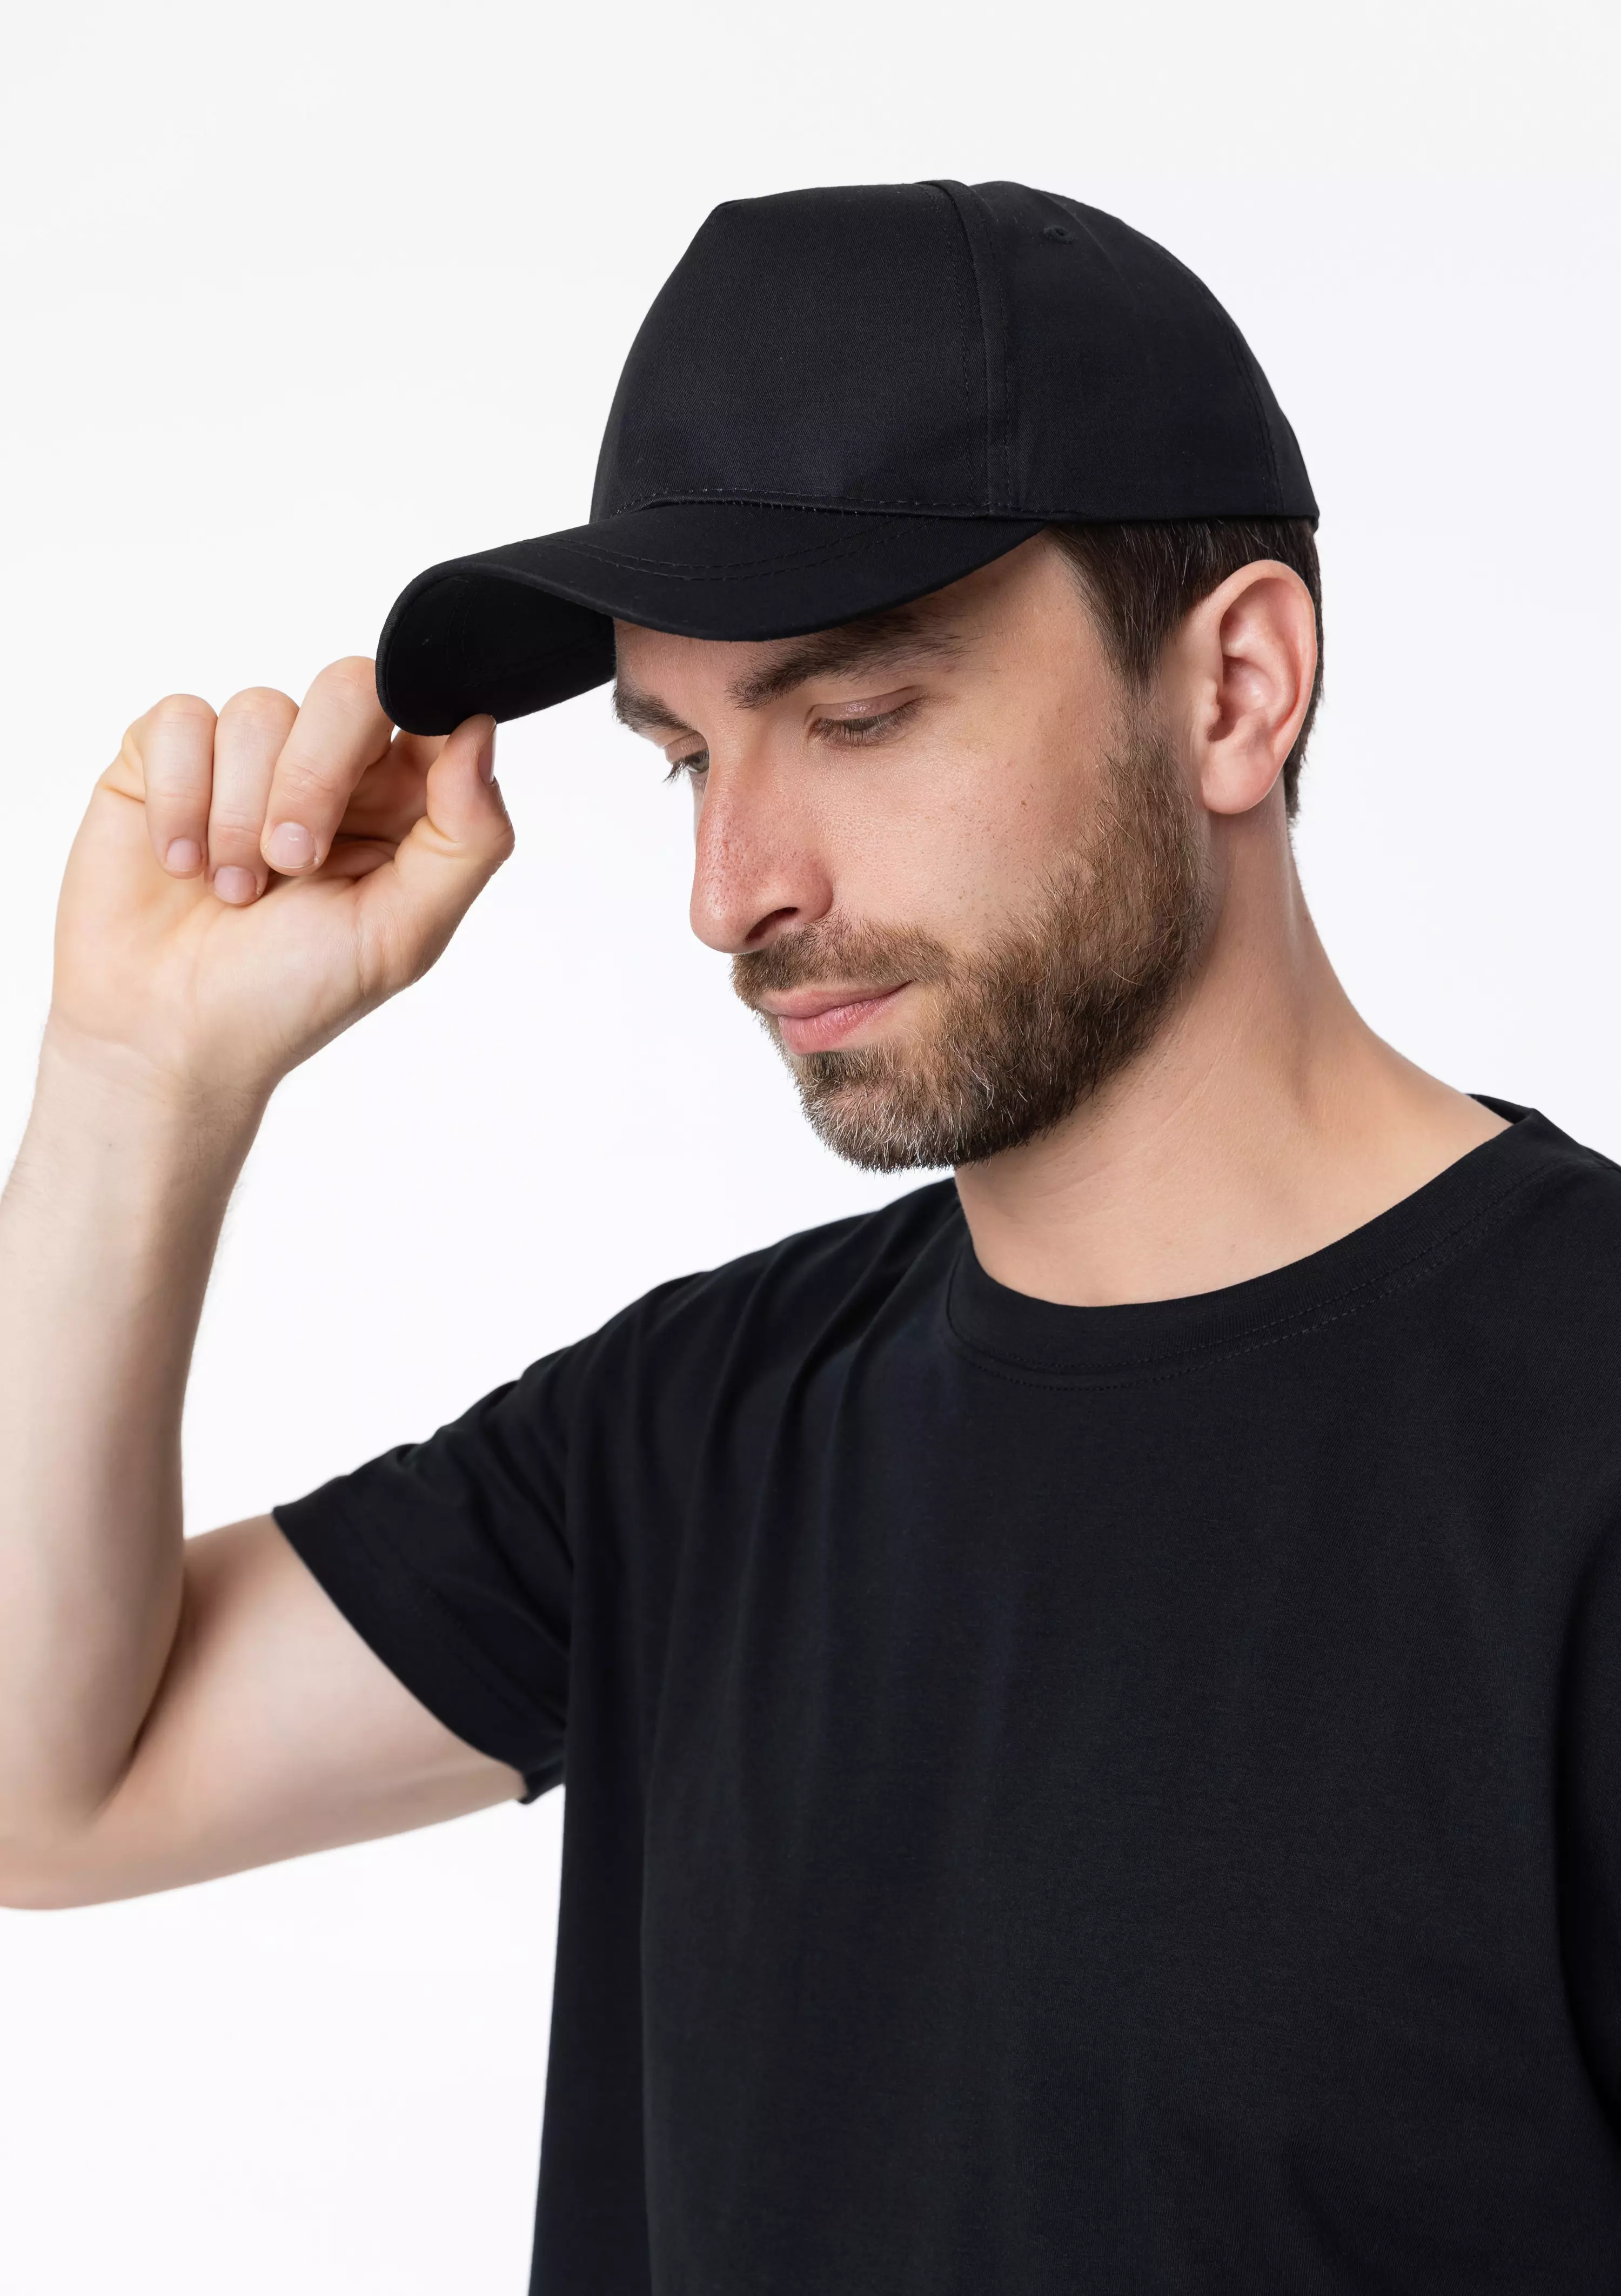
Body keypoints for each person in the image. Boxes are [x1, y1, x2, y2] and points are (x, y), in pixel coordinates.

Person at [1, 178, 1618, 2295]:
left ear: (1236, 688)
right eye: (688, 760)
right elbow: (46, 1790)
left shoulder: (1575, 1449)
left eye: (857, 720)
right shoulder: (689, 1435)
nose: (733, 892)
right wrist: (137, 1071)